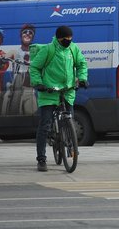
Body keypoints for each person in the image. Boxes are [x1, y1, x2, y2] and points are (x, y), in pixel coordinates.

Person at [29, 25, 88, 172]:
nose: (68, 41)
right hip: (49, 92)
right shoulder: (48, 50)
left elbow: (82, 64)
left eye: (70, 39)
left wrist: (82, 78)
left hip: (67, 91)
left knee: (70, 121)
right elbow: (34, 67)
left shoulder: (73, 49)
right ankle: (41, 159)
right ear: (58, 38)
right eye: (65, 39)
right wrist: (39, 83)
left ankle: (71, 147)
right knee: (45, 125)